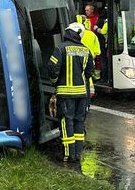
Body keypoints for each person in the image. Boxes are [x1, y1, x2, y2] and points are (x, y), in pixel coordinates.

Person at [48, 22, 95, 163]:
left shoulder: (60, 48)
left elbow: (52, 68)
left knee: (66, 122)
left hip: (65, 94)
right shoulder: (86, 50)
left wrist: (54, 82)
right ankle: (78, 153)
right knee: (79, 122)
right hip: (82, 94)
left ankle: (68, 155)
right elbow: (90, 73)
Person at [78, 4, 107, 81]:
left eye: (87, 10)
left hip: (96, 41)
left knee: (98, 59)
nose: (86, 12)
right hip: (86, 42)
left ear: (92, 10)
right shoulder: (83, 19)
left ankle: (98, 76)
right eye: (85, 10)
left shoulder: (97, 19)